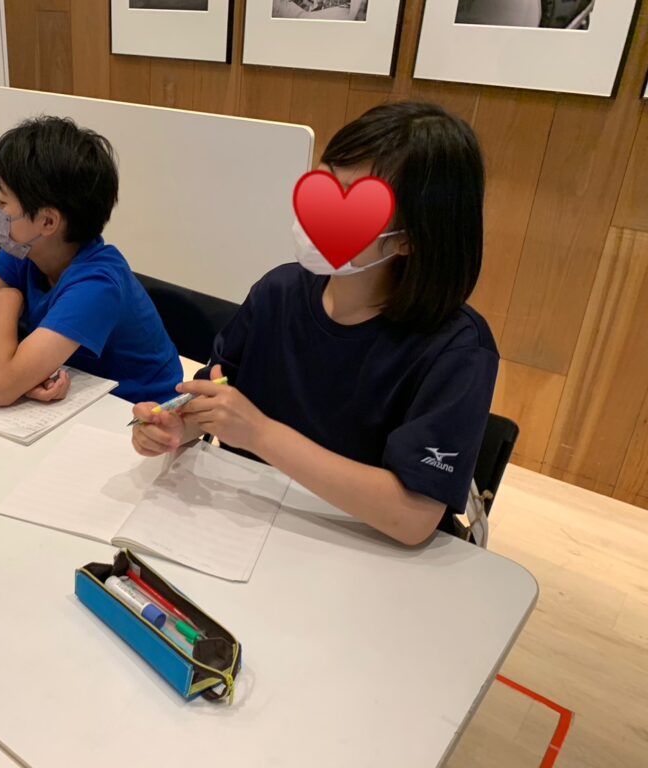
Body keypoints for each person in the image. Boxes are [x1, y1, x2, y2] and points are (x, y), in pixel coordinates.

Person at [131, 102, 498, 547]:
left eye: (352, 204)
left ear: (407, 239)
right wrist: (180, 428)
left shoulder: (457, 349)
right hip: (246, 527)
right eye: (323, 189)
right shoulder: (278, 292)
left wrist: (261, 434)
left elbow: (413, 518)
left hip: (362, 552)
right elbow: (215, 397)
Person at [0, 116, 182, 406]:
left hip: (138, 416)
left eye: (4, 201)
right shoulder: (26, 249)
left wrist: (8, 301)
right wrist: (23, 375)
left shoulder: (96, 284)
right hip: (80, 405)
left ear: (47, 221)